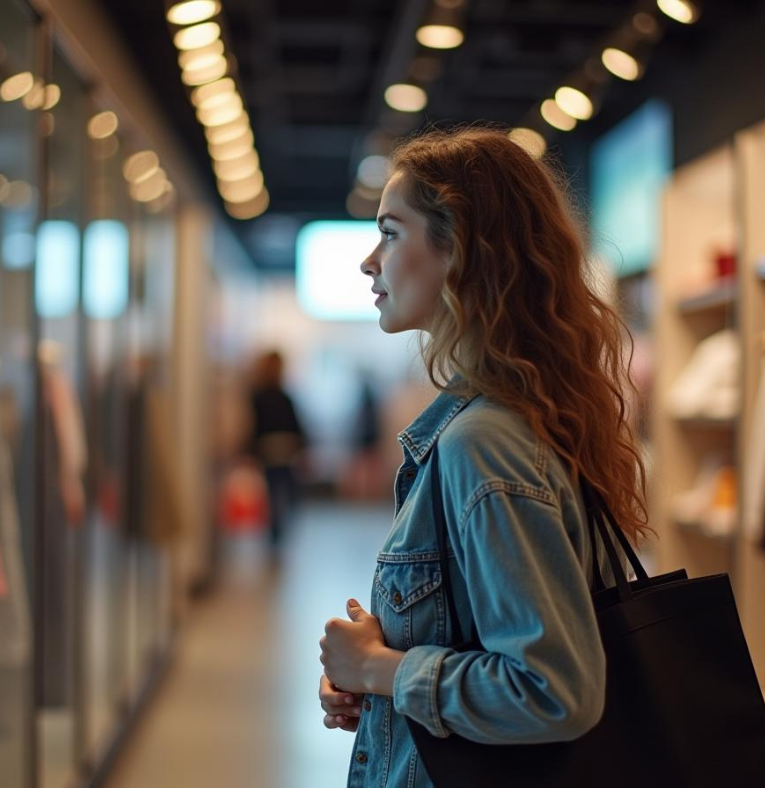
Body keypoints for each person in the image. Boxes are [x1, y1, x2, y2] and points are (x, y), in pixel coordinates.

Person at [317, 127, 649, 787]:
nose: (368, 261)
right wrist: (379, 677)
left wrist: (381, 670)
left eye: (390, 232)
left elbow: (553, 690)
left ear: (460, 248)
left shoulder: (484, 442)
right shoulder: (518, 420)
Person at [248, 350, 306, 552]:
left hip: (280, 453)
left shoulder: (271, 397)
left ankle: (277, 534)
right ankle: (275, 535)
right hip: (273, 453)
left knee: (282, 495)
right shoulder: (266, 397)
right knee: (277, 495)